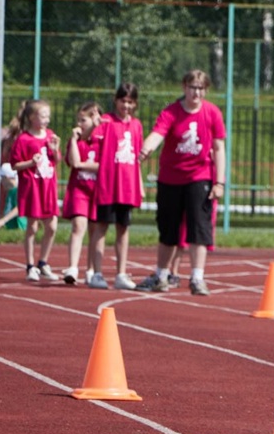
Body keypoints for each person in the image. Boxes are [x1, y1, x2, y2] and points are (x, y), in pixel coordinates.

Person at [136, 69, 226, 296]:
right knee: (168, 230)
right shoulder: (172, 112)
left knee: (199, 229)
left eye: (200, 88)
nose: (196, 92)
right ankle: (162, 275)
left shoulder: (212, 113)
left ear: (205, 90)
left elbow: (219, 148)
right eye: (192, 87)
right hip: (170, 178)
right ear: (184, 88)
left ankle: (197, 278)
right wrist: (146, 148)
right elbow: (158, 133)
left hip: (200, 176)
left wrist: (220, 182)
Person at [87, 83, 145, 290]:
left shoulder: (137, 125)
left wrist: (139, 184)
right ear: (116, 100)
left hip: (127, 186)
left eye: (130, 102)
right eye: (123, 101)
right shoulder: (106, 122)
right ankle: (97, 273)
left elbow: (137, 158)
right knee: (101, 227)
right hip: (108, 184)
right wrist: (93, 124)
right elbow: (89, 138)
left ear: (135, 104)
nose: (126, 106)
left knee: (123, 229)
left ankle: (121, 273)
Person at [9, 99, 61, 281]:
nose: (47, 119)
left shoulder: (50, 135)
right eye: (43, 115)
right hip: (33, 188)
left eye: (48, 116)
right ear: (31, 117)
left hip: (48, 187)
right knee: (32, 226)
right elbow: (14, 165)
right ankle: (30, 265)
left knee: (52, 226)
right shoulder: (23, 139)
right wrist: (31, 162)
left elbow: (57, 160)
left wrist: (55, 150)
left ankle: (43, 262)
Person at [60, 101, 103, 285]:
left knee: (95, 230)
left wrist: (88, 166)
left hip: (97, 190)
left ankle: (91, 269)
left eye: (83, 120)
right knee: (78, 226)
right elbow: (74, 162)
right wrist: (74, 140)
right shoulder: (75, 142)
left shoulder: (102, 141)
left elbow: (103, 166)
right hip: (79, 189)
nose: (80, 124)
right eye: (78, 120)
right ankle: (72, 267)